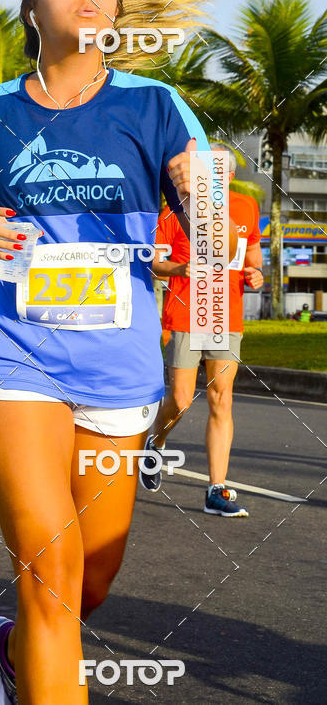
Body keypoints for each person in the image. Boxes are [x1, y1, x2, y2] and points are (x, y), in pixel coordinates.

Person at [0, 0, 238, 703]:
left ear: (117, 7)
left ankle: (8, 645)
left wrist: (200, 204)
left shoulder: (157, 105)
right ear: (33, 7)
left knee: (89, 582)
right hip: (9, 354)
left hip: (117, 366)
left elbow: (213, 231)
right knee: (52, 564)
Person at [146, 144, 263, 517]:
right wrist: (179, 270)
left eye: (215, 172)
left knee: (221, 399)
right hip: (185, 311)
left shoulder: (246, 207)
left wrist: (256, 274)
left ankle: (217, 489)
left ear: (227, 176)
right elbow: (154, 263)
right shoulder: (175, 208)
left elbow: (253, 260)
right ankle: (156, 440)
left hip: (224, 315)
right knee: (180, 399)